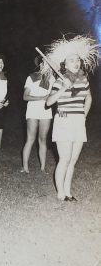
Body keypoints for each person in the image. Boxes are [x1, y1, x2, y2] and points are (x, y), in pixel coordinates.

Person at [44, 35, 98, 201]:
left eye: (77, 60)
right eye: (71, 60)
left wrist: (84, 115)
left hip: (78, 122)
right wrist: (63, 89)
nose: (76, 62)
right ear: (65, 64)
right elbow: (49, 102)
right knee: (65, 158)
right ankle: (60, 193)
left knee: (73, 160)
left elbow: (88, 98)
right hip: (63, 121)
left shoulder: (84, 80)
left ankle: (68, 192)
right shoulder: (60, 81)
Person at [21, 57, 54, 173]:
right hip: (33, 110)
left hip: (46, 110)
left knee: (43, 139)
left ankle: (43, 168)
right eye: (44, 64)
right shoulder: (31, 77)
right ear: (40, 65)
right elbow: (25, 96)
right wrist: (41, 98)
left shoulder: (52, 78)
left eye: (48, 64)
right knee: (30, 139)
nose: (46, 66)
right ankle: (25, 167)